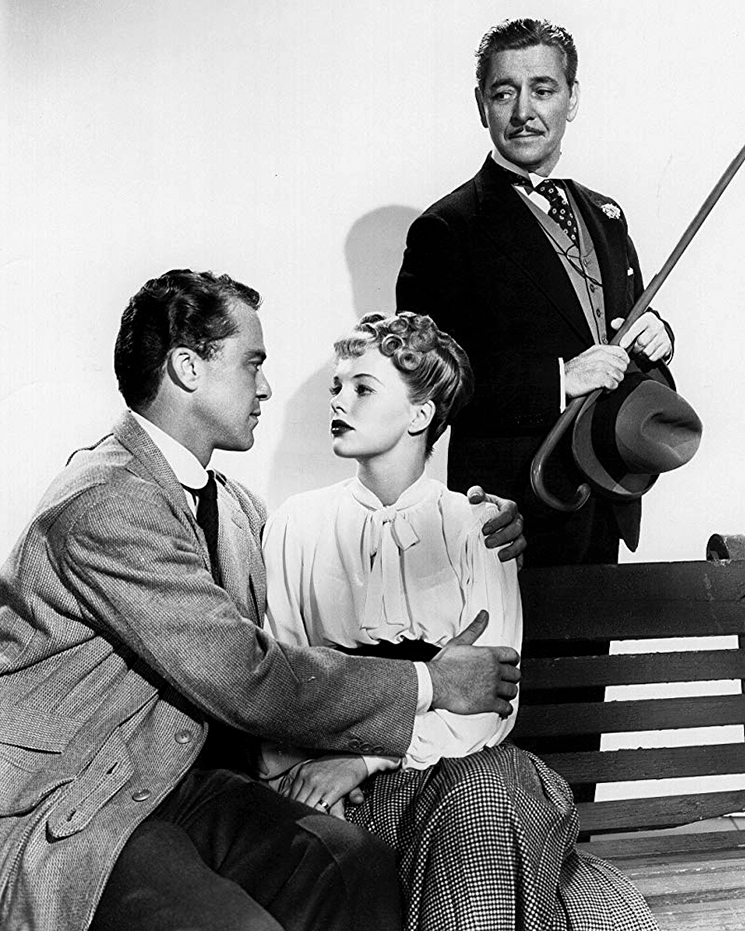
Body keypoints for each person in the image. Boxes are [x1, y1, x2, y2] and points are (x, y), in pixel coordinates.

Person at [0, 270, 526, 931]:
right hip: (79, 803)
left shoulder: (237, 508)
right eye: (252, 363)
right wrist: (431, 683)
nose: (268, 387)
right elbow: (248, 674)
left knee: (353, 867)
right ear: (188, 368)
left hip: (179, 784)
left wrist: (481, 529)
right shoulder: (108, 501)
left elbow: (309, 626)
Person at [261, 312, 658, 931]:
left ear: (420, 415)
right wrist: (319, 776)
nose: (338, 401)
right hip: (356, 794)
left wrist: (364, 759)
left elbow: (489, 708)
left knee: (482, 792)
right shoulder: (296, 524)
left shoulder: (479, 526)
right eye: (337, 387)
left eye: (362, 388)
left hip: (466, 767)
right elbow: (285, 684)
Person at [396, 18, 674, 567]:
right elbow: (428, 383)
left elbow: (615, 327)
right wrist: (560, 380)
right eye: (505, 93)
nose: (524, 111)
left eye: (543, 90)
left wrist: (657, 336)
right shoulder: (446, 229)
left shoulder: (606, 215)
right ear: (482, 105)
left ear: (572, 99)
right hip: (511, 516)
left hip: (608, 496)